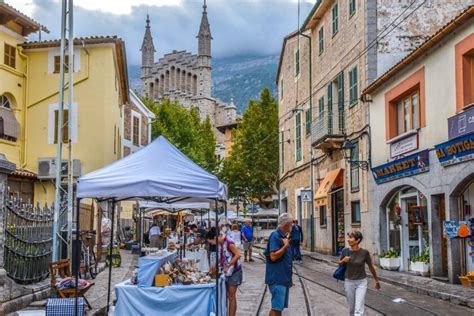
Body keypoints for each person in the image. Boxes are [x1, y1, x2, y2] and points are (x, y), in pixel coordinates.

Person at [339, 230, 381, 316]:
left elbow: (370, 266)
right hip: (349, 282)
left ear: (357, 240)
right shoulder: (345, 251)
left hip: (361, 282)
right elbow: (339, 265)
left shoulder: (364, 253)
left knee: (358, 308)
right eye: (348, 237)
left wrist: (376, 280)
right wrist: (343, 260)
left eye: (351, 237)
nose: (348, 239)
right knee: (352, 308)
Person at [206, 228, 242, 316]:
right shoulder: (221, 243)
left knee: (231, 297)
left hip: (234, 271)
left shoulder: (229, 243)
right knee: (228, 296)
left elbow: (238, 254)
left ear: (215, 237)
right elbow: (221, 257)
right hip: (228, 271)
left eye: (210, 241)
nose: (210, 244)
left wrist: (228, 264)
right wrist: (214, 267)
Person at [265, 213, 293, 316]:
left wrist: (289, 280)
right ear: (287, 224)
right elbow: (273, 256)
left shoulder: (283, 236)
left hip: (283, 278)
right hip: (277, 278)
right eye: (291, 224)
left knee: (279, 308)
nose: (292, 226)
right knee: (276, 308)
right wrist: (285, 247)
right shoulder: (275, 236)